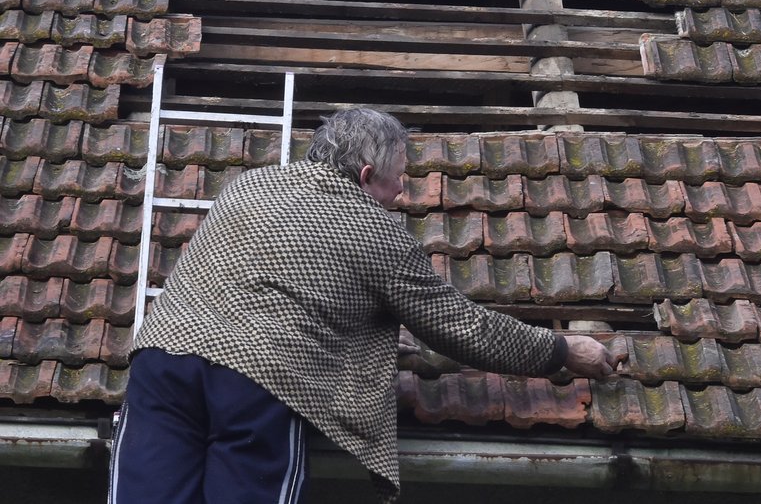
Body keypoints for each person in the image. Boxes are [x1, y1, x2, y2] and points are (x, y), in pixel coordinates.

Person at [109, 107, 618, 504]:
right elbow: (460, 327)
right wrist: (562, 351)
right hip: (257, 375)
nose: (403, 191)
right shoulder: (375, 231)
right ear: (368, 174)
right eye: (399, 177)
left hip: (162, 359)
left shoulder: (250, 185)